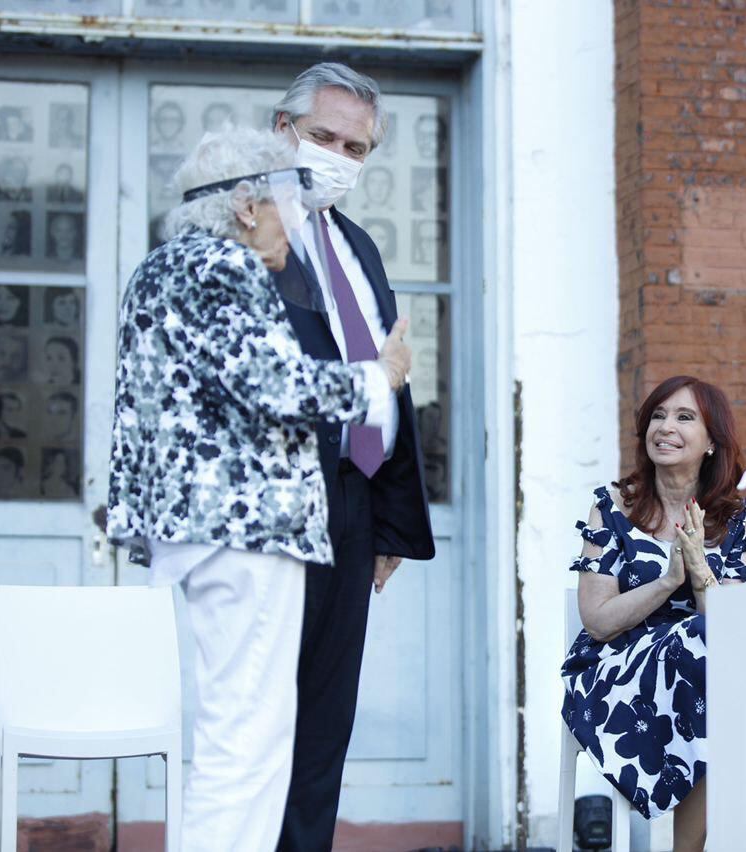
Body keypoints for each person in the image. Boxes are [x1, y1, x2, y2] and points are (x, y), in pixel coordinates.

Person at [106, 125, 414, 851]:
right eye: (287, 206)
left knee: (237, 727)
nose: (297, 226)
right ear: (246, 206)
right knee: (248, 736)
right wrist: (380, 377)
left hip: (200, 528)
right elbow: (276, 385)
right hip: (247, 527)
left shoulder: (160, 267)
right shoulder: (227, 268)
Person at [270, 62, 435, 851]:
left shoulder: (360, 248)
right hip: (269, 508)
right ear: (283, 132)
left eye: (356, 147)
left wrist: (391, 522)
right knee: (260, 715)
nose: (340, 156)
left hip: (352, 511)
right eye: (325, 137)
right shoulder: (248, 232)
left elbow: (389, 379)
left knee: (327, 718)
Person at [561, 375, 746, 852]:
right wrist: (668, 579)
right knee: (720, 671)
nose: (665, 426)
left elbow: (730, 626)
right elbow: (597, 619)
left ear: (713, 441)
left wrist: (697, 571)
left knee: (720, 656)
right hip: (616, 672)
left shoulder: (738, 515)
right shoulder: (611, 507)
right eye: (658, 415)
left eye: (684, 417)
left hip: (706, 674)